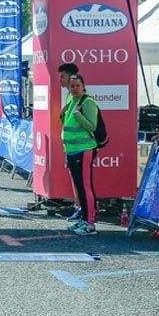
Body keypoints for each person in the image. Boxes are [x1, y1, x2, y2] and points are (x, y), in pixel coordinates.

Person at [60, 74, 101, 235]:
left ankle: (90, 223)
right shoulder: (72, 100)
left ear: (83, 86)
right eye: (72, 86)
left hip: (84, 150)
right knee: (79, 187)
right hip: (72, 151)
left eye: (78, 86)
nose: (75, 89)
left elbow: (92, 126)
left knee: (85, 186)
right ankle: (84, 219)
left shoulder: (88, 102)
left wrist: (78, 115)